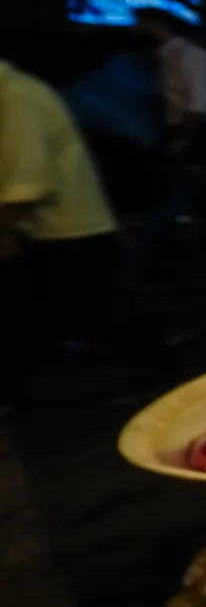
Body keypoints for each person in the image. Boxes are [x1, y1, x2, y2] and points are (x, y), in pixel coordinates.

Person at [0, 56, 119, 393]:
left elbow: (27, 181)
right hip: (40, 228)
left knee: (96, 314)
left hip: (68, 228)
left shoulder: (17, 96)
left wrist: (5, 228)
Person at [132, 9, 206, 156]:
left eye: (140, 25)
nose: (134, 30)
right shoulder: (166, 55)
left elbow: (200, 104)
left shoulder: (191, 56)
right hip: (185, 126)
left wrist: (183, 139)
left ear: (157, 26)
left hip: (204, 131)